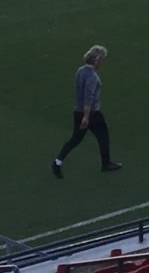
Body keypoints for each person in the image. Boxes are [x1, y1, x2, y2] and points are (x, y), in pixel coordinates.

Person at [52, 45, 121, 176]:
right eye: (102, 59)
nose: (103, 62)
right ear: (96, 60)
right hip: (91, 114)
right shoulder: (92, 77)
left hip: (77, 111)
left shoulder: (80, 71)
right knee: (103, 136)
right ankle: (106, 164)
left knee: (75, 139)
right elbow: (88, 97)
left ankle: (57, 162)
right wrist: (86, 117)